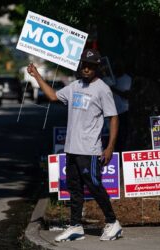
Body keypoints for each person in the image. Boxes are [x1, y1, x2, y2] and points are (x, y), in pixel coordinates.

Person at [27, 49, 122, 242]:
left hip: (89, 150)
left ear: (96, 67)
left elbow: (113, 118)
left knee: (94, 186)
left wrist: (110, 146)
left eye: (90, 66)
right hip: (71, 148)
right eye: (84, 65)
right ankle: (75, 226)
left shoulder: (102, 89)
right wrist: (36, 75)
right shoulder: (75, 86)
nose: (86, 69)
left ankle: (113, 223)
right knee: (74, 188)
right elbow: (53, 96)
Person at [110, 60, 132, 152]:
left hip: (123, 111)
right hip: (112, 111)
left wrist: (113, 88)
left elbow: (126, 95)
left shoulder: (127, 79)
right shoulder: (111, 79)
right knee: (114, 135)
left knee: (122, 135)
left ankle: (121, 153)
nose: (117, 69)